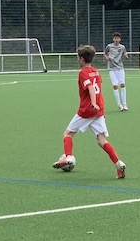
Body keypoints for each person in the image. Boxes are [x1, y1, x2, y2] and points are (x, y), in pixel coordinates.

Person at [53, 45, 127, 179]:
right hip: (99, 110)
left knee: (67, 134)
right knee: (101, 140)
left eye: (78, 58)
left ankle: (68, 157)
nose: (78, 60)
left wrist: (93, 103)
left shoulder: (83, 73)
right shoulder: (96, 72)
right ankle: (118, 164)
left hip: (87, 110)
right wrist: (96, 104)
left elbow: (91, 88)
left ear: (82, 59)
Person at [104, 32, 129, 111]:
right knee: (115, 85)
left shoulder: (122, 47)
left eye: (117, 38)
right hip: (112, 68)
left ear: (120, 39)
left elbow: (125, 54)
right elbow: (105, 53)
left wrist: (126, 56)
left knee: (122, 84)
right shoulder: (109, 46)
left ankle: (124, 104)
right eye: (115, 38)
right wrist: (107, 58)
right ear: (113, 39)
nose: (116, 40)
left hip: (120, 68)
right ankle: (119, 104)